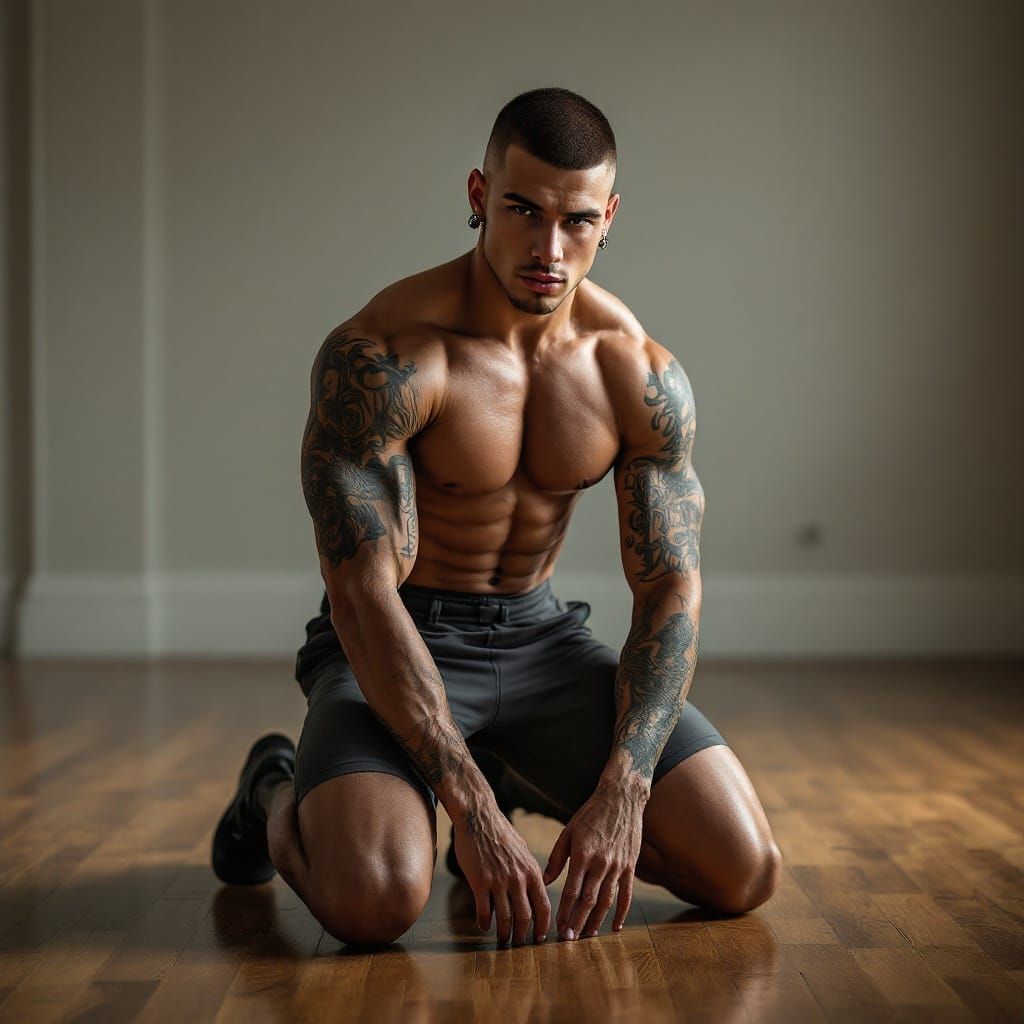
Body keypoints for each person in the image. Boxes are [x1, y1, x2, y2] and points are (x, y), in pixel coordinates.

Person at [211, 86, 782, 949]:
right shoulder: (385, 356)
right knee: (372, 902)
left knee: (743, 870)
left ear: (609, 217)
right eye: (523, 210)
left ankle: (518, 773)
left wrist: (623, 788)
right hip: (395, 634)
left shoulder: (634, 372)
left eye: (577, 220)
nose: (549, 249)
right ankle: (272, 787)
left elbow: (669, 589)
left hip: (540, 639)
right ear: (480, 195)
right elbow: (362, 592)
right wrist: (467, 807)